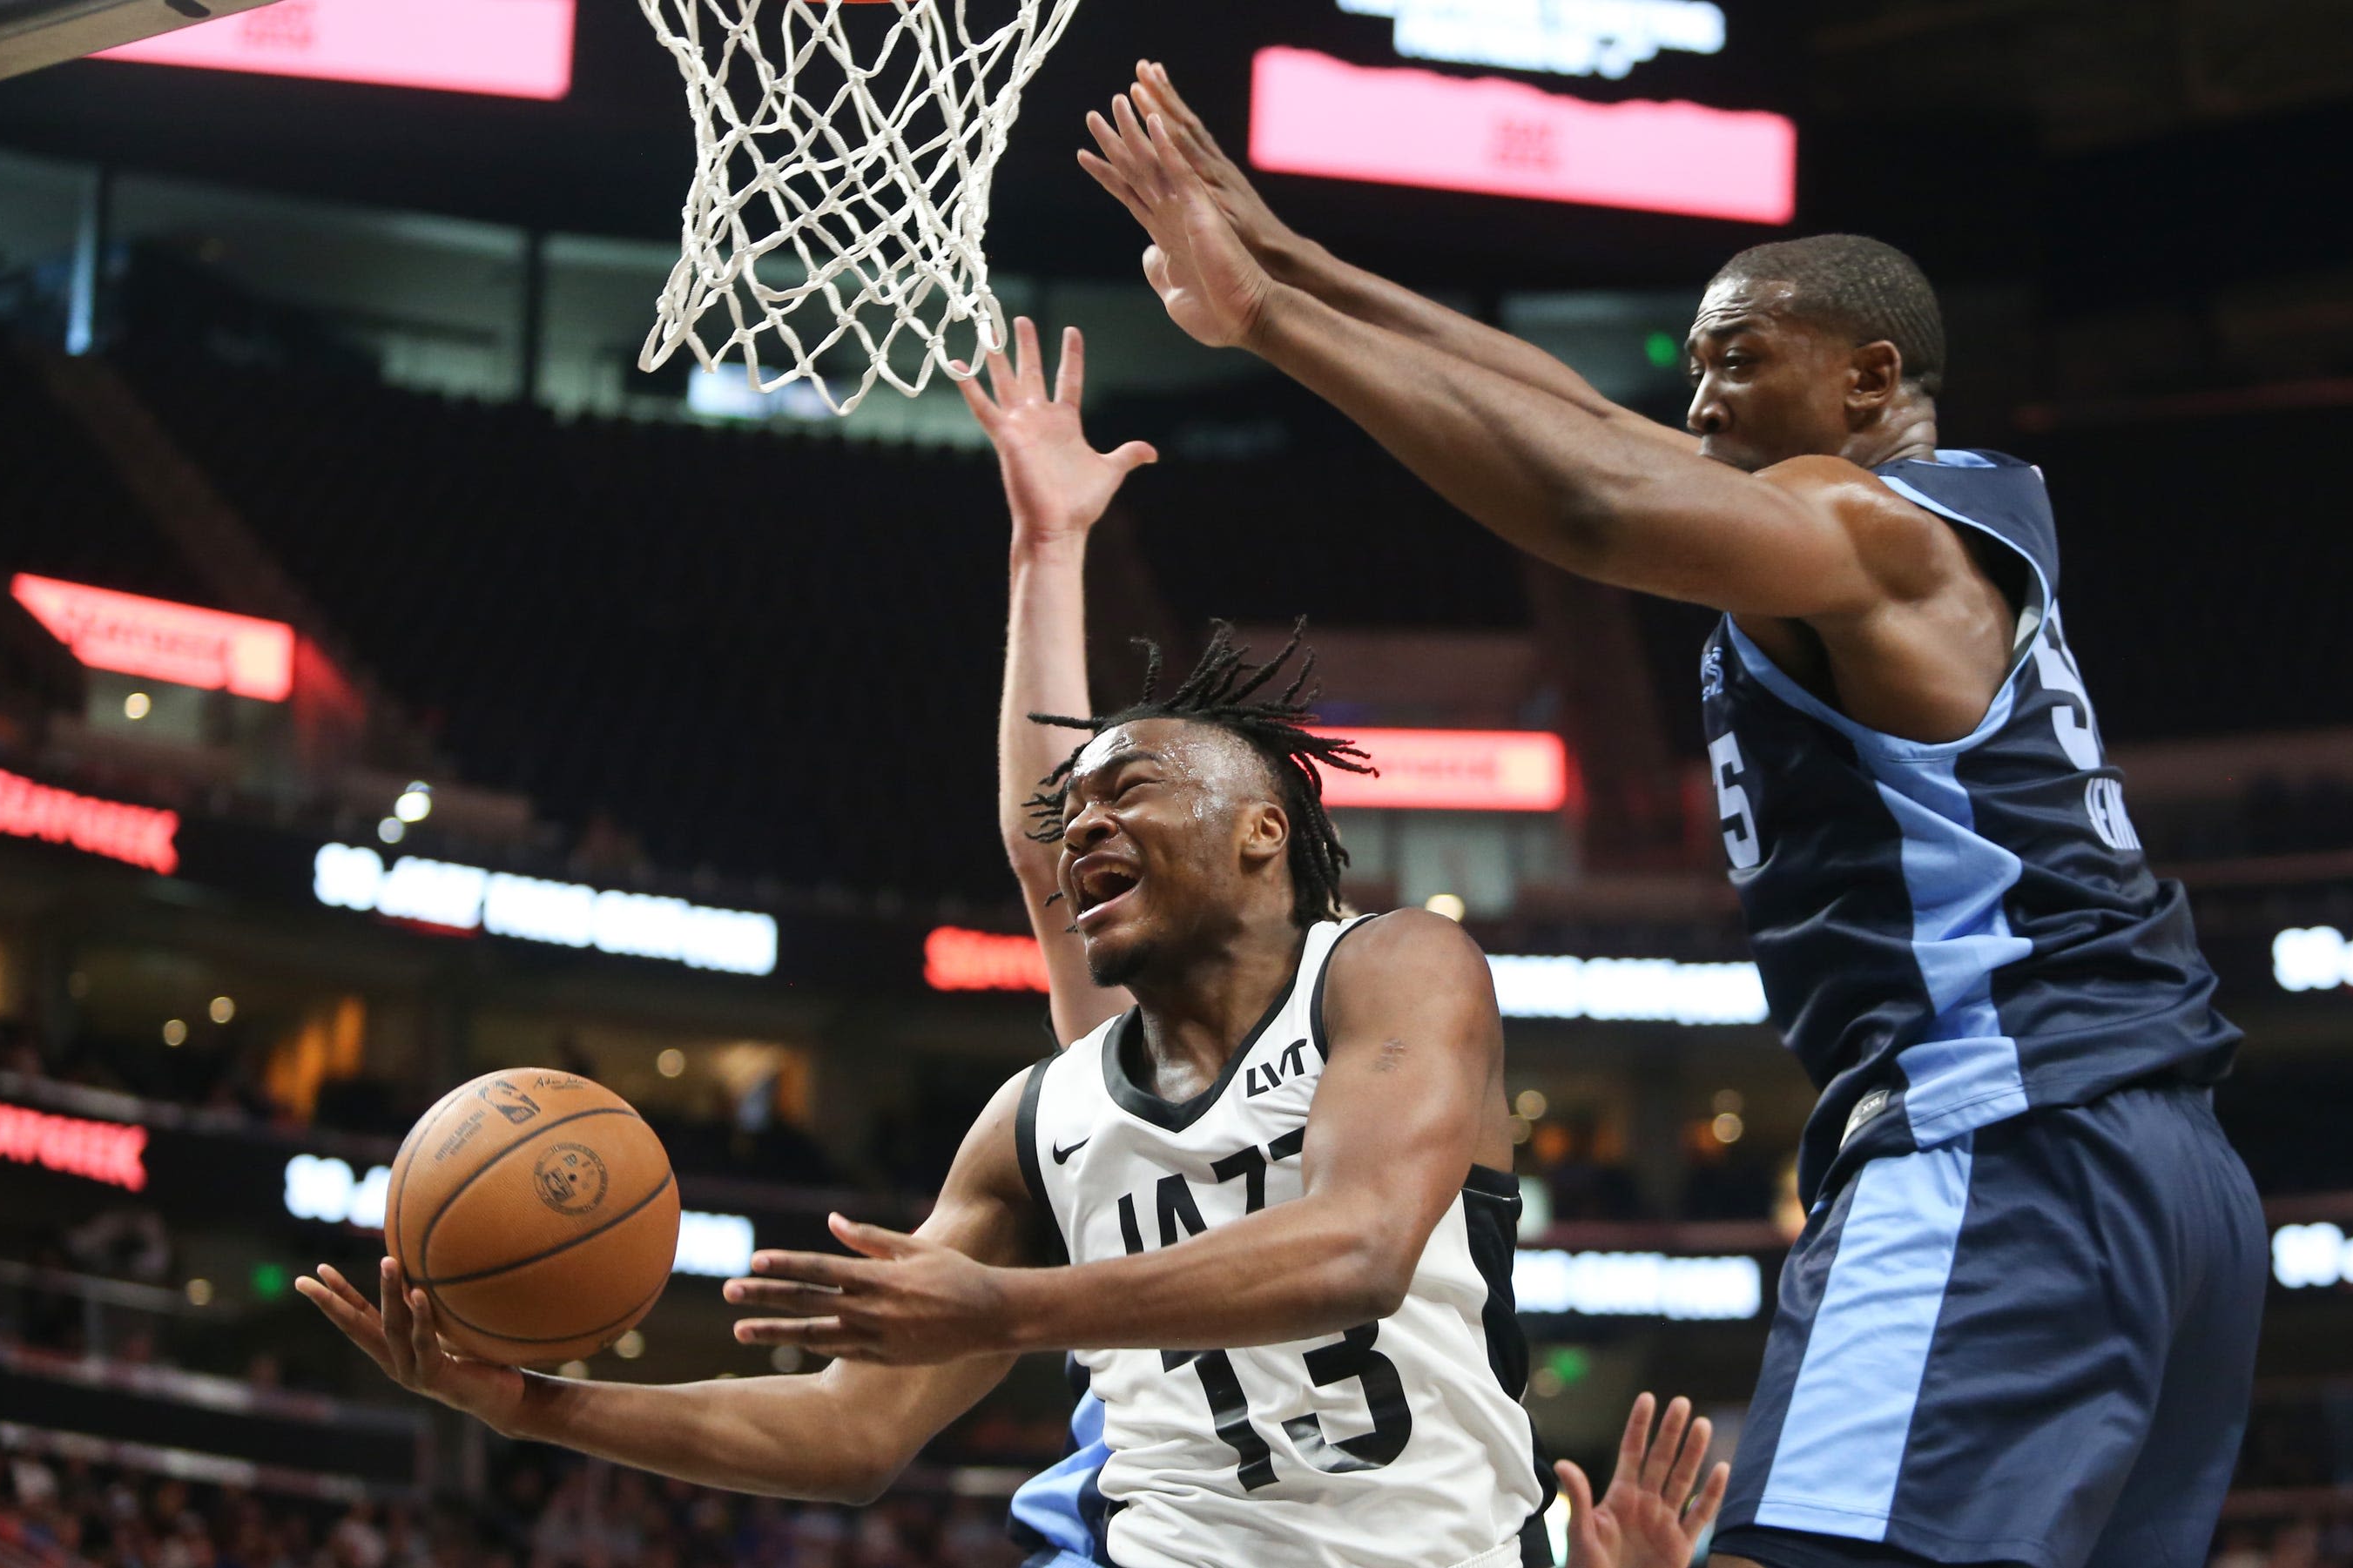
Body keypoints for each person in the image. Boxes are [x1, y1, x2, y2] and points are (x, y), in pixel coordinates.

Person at [1084, 65, 2266, 1568]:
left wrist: (1266, 324)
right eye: (1694, 368)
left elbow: (1587, 503)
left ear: (1866, 378)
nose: (1698, 401)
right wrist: (1289, 253)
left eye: (1737, 364)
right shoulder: (1926, 528)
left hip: (2005, 1138)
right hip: (2170, 1176)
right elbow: (1577, 416)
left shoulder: (1869, 530)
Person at [300, 323, 1720, 1568]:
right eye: (1075, 809)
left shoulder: (1394, 969)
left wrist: (1003, 1303)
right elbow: (854, 1430)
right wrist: (526, 1406)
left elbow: (1357, 1247)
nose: (1086, 827)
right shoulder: (1044, 1120)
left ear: (1265, 834)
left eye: (1134, 792)